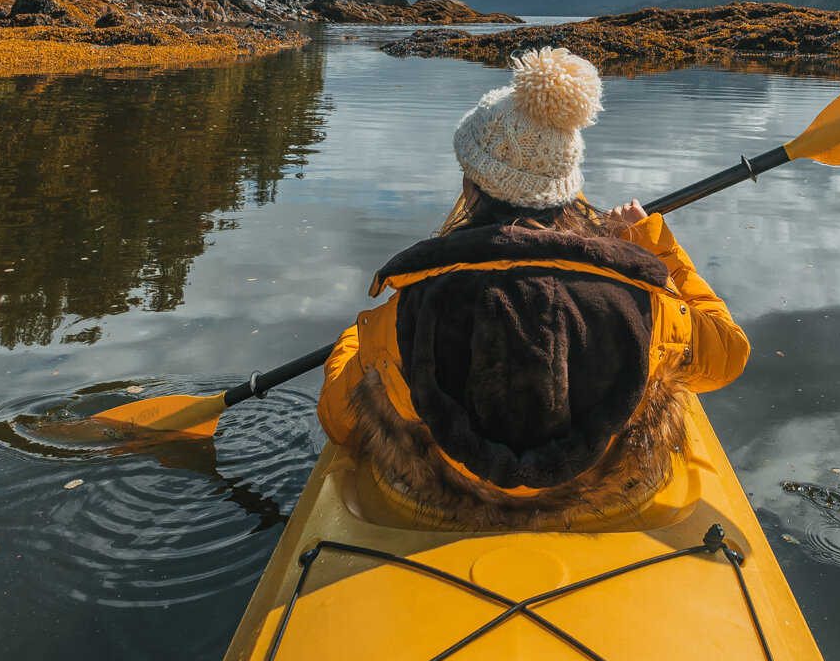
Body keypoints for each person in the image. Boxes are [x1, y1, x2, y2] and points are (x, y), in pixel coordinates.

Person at [318, 46, 749, 523]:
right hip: (602, 499)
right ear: (564, 190)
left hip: (446, 498)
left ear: (471, 187)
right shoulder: (646, 305)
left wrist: (356, 336)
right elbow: (729, 354)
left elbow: (339, 421)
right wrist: (655, 245)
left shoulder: (406, 308)